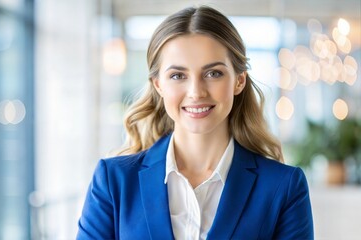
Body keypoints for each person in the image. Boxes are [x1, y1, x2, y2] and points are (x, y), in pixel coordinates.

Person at [77, 5, 314, 240]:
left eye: (213, 73)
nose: (196, 92)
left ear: (239, 81)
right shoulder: (113, 181)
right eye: (178, 76)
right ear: (158, 84)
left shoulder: (284, 187)